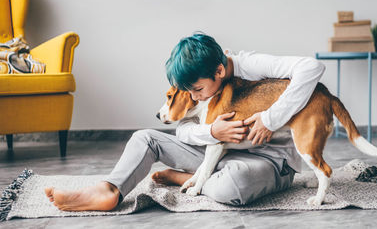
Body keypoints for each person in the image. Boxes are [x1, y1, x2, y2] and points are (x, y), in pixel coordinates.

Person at [44, 32, 325, 211]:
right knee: (145, 137)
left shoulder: (249, 66)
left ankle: (191, 178)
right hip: (214, 156)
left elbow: (312, 67)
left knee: (232, 187)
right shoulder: (199, 84)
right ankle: (109, 190)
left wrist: (270, 118)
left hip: (266, 161)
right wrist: (213, 131)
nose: (193, 98)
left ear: (219, 70)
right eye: (188, 92)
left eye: (197, 91)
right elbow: (184, 131)